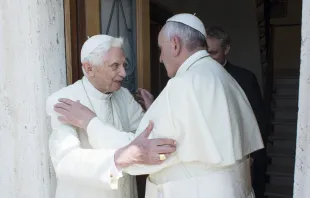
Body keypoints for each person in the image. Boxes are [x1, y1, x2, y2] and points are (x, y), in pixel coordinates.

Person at [55, 13, 264, 198]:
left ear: (175, 45)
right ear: (89, 68)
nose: (161, 58)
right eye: (115, 66)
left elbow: (140, 151)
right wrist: (159, 108)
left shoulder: (183, 85)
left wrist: (91, 122)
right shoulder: (221, 75)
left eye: (160, 49)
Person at [45, 35, 176, 198]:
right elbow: (66, 161)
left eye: (124, 65)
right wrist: (119, 159)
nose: (124, 73)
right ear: (89, 68)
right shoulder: (63, 100)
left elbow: (147, 136)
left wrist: (154, 111)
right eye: (115, 66)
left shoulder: (124, 95)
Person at [206, 26, 268, 198]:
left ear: (226, 49)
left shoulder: (245, 78)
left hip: (241, 157)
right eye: (205, 53)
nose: (208, 59)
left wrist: (252, 157)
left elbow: (259, 121)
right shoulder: (193, 78)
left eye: (213, 53)